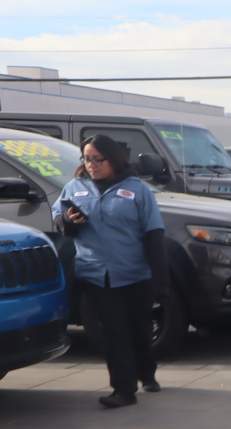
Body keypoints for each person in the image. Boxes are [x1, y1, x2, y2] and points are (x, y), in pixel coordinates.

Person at [53, 135, 167, 409]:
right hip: (94, 275)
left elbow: (154, 235)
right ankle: (123, 390)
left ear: (113, 159)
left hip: (133, 275)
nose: (91, 164)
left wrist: (160, 280)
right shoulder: (74, 187)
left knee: (139, 331)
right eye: (86, 159)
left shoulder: (138, 190)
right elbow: (59, 220)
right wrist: (69, 221)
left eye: (97, 159)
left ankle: (147, 373)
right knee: (112, 333)